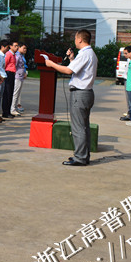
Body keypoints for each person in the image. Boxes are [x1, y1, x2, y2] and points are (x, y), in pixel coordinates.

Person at [45, 30, 98, 166]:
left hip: (80, 94)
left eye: (75, 38)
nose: (75, 41)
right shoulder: (90, 54)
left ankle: (80, 158)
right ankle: (83, 156)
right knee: (84, 127)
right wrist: (71, 59)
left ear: (79, 39)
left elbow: (69, 71)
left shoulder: (85, 54)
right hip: (87, 93)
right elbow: (78, 70)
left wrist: (51, 64)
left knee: (78, 127)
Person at [11, 43, 28, 115]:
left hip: (21, 76)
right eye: (23, 48)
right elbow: (15, 66)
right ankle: (12, 109)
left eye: (26, 48)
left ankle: (15, 107)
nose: (25, 50)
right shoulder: (17, 56)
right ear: (19, 48)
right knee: (15, 93)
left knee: (18, 94)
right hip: (17, 76)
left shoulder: (21, 55)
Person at [3, 41, 17, 118]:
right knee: (7, 93)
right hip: (8, 73)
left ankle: (8, 111)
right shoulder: (8, 54)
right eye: (15, 46)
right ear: (10, 46)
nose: (16, 47)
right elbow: (4, 64)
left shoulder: (14, 55)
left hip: (12, 74)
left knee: (10, 93)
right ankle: (5, 112)